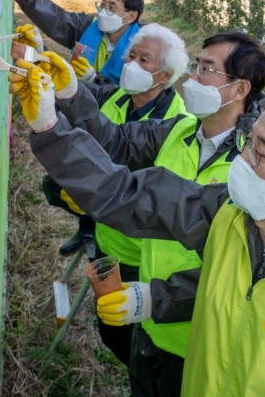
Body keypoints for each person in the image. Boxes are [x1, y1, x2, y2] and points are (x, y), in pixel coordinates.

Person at [9, 65, 265, 396]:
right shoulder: (228, 218)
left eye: (260, 152)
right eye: (248, 141)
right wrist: (49, 127)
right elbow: (126, 194)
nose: (241, 159)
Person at [42, 32, 265, 395]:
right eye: (195, 66)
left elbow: (241, 272)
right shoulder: (179, 131)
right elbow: (115, 141)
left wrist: (155, 298)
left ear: (240, 89)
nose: (192, 78)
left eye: (206, 70)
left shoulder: (255, 170)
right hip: (149, 324)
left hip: (198, 343)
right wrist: (71, 94)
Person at [38, 23, 189, 367]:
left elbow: (152, 189)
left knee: (135, 339)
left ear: (164, 75)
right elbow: (86, 131)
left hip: (141, 253)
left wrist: (93, 197)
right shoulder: (116, 97)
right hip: (107, 237)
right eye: (131, 55)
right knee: (109, 327)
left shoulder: (178, 123)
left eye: (143, 59)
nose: (131, 64)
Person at [1, 0, 144, 85]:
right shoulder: (86, 26)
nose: (103, 12)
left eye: (111, 7)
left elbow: (136, 96)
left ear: (131, 16)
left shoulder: (143, 47)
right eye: (103, 4)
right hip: (77, 107)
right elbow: (55, 19)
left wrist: (94, 80)